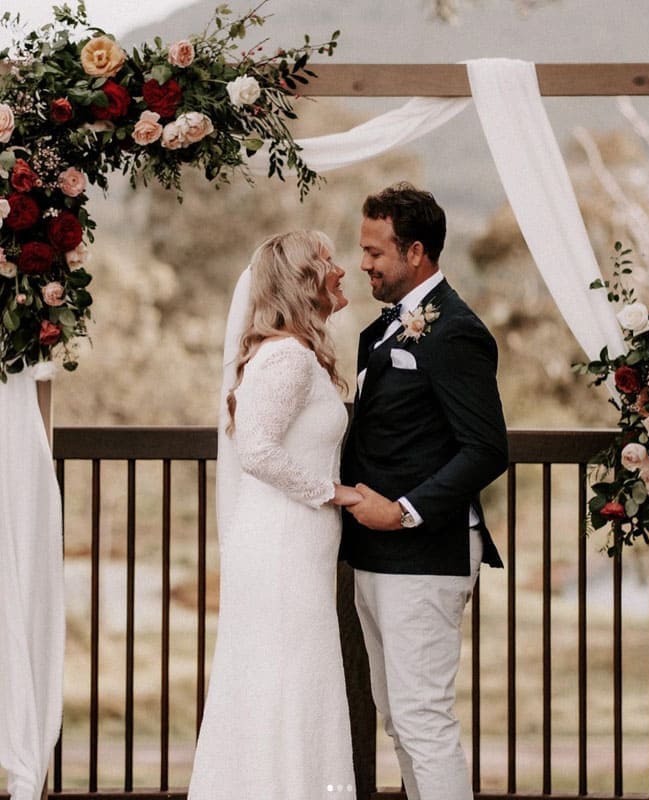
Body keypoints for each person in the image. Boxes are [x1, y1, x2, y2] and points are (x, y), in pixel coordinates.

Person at [341, 183, 508, 800]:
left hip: (425, 553)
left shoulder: (456, 332)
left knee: (423, 722)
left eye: (374, 251)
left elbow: (486, 448)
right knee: (399, 721)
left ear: (415, 252)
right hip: (374, 553)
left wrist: (404, 511)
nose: (363, 263)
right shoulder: (379, 331)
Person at [188, 230, 361, 800]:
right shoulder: (287, 356)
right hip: (282, 548)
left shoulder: (293, 354)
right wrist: (335, 493)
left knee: (290, 684)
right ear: (302, 280)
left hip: (293, 544)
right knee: (287, 684)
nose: (340, 270)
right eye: (328, 261)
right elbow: (257, 451)